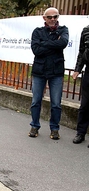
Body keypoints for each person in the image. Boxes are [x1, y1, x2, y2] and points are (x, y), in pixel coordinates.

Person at [28, 7, 68, 140]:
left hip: (56, 72)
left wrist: (44, 44)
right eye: (49, 17)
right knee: (36, 101)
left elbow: (63, 43)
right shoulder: (37, 31)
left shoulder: (63, 30)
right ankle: (34, 126)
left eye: (55, 17)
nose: (52, 19)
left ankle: (54, 129)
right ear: (44, 18)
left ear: (58, 17)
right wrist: (54, 44)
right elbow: (36, 50)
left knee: (56, 103)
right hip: (39, 71)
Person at [71, 25, 89, 146]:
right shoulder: (86, 30)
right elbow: (81, 51)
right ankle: (80, 133)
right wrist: (78, 69)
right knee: (85, 104)